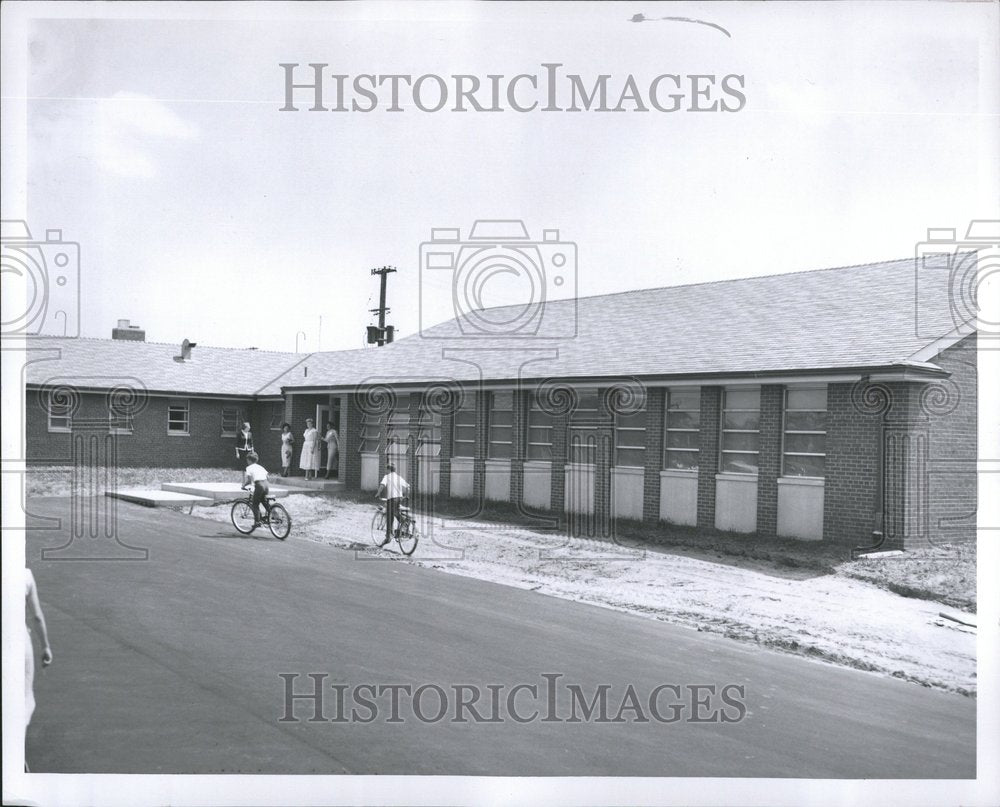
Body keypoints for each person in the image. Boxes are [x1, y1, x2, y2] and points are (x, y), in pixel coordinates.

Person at [25, 568, 53, 758]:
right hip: (19, 643)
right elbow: (36, 616)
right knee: (24, 695)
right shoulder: (25, 575)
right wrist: (45, 647)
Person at [376, 463, 410, 543]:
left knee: (389, 517)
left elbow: (382, 485)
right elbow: (408, 487)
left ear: (388, 470)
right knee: (396, 512)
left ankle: (388, 537)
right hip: (399, 499)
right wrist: (406, 496)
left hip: (391, 499)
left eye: (386, 469)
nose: (385, 471)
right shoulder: (399, 477)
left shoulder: (387, 477)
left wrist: (378, 493)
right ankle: (404, 522)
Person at [241, 451, 270, 527]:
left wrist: (243, 486)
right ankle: (275, 516)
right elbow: (267, 476)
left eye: (247, 460)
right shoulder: (260, 467)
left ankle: (257, 522)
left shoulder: (249, 468)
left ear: (249, 460)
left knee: (255, 504)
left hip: (259, 485)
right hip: (266, 485)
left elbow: (249, 480)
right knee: (264, 501)